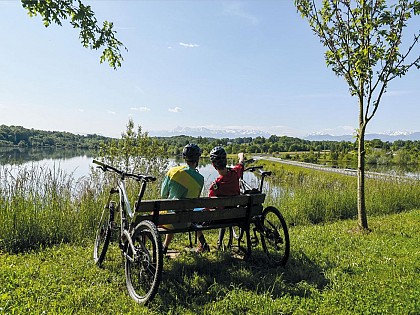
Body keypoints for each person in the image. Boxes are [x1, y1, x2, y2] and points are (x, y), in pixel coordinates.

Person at [196, 146, 245, 251]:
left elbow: (210, 205)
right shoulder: (236, 173)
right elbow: (241, 164)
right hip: (235, 215)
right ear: (226, 161)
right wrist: (241, 156)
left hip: (219, 218)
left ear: (213, 165)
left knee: (194, 218)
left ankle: (203, 246)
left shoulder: (215, 186)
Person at [160, 143, 205, 255]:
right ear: (197, 159)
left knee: (155, 215)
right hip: (188, 221)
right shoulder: (200, 178)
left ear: (184, 157)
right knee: (175, 213)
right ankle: (164, 247)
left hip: (171, 220)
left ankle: (142, 248)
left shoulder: (173, 171)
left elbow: (163, 194)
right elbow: (196, 198)